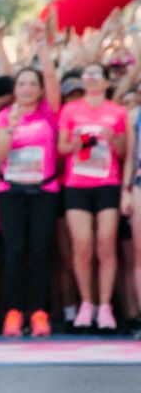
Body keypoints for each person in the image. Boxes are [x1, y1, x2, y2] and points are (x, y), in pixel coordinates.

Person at [58, 61, 126, 332]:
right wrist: (74, 144)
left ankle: (105, 306)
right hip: (77, 184)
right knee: (82, 245)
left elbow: (123, 152)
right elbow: (62, 147)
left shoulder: (117, 112)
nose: (91, 78)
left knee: (106, 245)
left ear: (106, 82)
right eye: (87, 74)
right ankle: (86, 303)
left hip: (108, 182)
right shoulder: (70, 110)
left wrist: (113, 139)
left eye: (96, 75)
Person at [0, 64, 60, 337]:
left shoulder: (48, 113)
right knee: (14, 252)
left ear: (41, 89)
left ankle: (40, 313)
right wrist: (10, 127)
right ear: (14, 90)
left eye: (33, 84)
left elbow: (53, 79)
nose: (27, 89)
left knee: (41, 252)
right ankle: (14, 312)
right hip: (11, 192)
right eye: (22, 84)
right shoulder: (4, 116)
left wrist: (44, 49)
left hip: (44, 191)